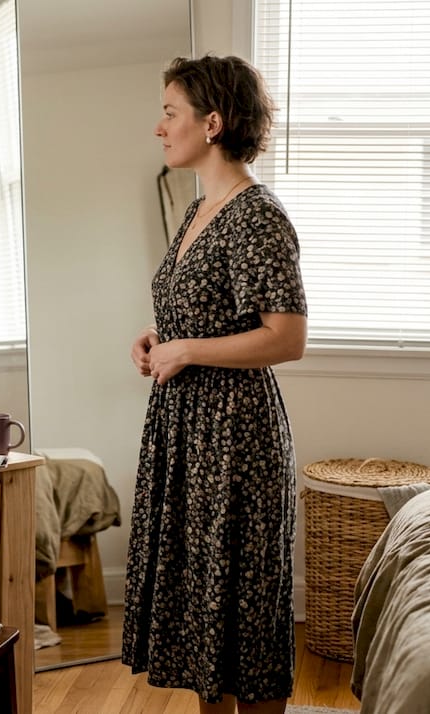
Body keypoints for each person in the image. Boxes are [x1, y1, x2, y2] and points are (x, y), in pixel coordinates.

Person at [123, 55, 308, 714]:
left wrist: (188, 349)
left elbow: (286, 337)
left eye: (170, 113)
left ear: (213, 122)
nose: (159, 127)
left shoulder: (256, 212)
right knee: (209, 622)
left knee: (245, 623)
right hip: (188, 435)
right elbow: (203, 312)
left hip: (235, 440)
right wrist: (157, 336)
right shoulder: (201, 209)